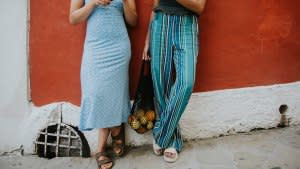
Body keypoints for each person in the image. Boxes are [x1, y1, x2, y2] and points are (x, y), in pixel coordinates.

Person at [69, 0, 137, 168]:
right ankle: (116, 129)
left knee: (115, 93)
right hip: (95, 48)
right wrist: (92, 4)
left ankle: (100, 148)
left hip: (119, 47)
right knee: (96, 93)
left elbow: (133, 21)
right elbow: (73, 18)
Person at [142, 0, 206, 163]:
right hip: (160, 23)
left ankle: (161, 133)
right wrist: (147, 39)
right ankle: (172, 140)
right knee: (160, 84)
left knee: (186, 83)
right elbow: (156, 3)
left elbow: (199, 6)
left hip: (187, 24)